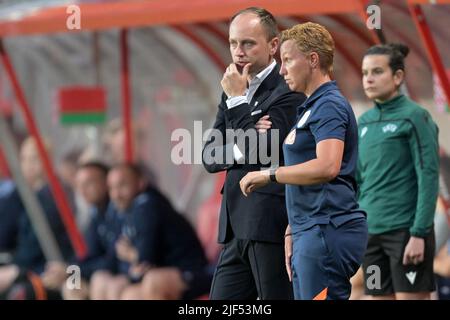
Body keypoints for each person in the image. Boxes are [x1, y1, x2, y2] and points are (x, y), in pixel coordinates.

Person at [240, 22, 368, 300]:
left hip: (326, 229)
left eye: (287, 60)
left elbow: (327, 166)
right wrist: (292, 229)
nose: (282, 70)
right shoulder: (310, 106)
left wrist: (269, 174)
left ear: (313, 60)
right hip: (309, 230)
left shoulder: (329, 105)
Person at [202, 7, 305, 300]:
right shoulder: (231, 88)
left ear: (273, 45)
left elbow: (266, 149)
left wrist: (237, 102)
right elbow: (209, 157)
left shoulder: (289, 89)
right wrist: (245, 141)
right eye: (233, 43)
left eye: (248, 43)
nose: (239, 51)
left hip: (269, 222)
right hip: (234, 226)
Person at [358, 43, 439, 300]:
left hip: (406, 234)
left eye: (377, 71)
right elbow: (358, 180)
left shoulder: (415, 117)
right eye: (365, 72)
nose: (368, 78)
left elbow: (428, 177)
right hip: (371, 237)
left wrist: (419, 234)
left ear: (398, 77)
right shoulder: (363, 122)